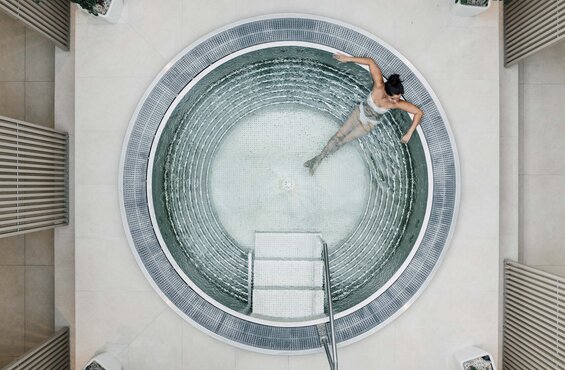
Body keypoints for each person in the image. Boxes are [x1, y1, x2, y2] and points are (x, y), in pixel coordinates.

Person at [304, 53, 423, 175]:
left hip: (369, 124)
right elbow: (371, 62)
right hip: (359, 112)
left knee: (344, 141)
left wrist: (409, 133)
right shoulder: (378, 85)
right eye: (394, 98)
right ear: (386, 92)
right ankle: (318, 159)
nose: (396, 101)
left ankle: (318, 159)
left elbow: (418, 112)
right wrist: (348, 59)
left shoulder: (396, 104)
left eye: (398, 98)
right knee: (338, 135)